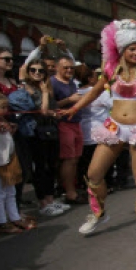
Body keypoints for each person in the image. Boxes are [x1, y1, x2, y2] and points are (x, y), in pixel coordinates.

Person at [62, 19, 136, 239]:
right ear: (122, 49)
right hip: (114, 127)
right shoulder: (110, 68)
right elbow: (94, 92)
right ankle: (98, 213)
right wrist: (75, 108)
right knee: (93, 173)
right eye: (132, 49)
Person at [15, 59, 66, 216]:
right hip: (36, 133)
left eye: (41, 71)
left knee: (51, 165)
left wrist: (54, 112)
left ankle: (50, 200)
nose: (37, 73)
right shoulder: (26, 89)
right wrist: (44, 94)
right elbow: (43, 110)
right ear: (28, 72)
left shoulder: (47, 87)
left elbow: (54, 109)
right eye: (33, 70)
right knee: (40, 167)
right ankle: (43, 202)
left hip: (51, 130)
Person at [0, 92, 35, 233]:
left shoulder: (2, 120)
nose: (5, 110)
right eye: (2, 107)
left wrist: (10, 129)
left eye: (6, 107)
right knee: (0, 192)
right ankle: (1, 221)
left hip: (8, 159)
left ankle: (14, 217)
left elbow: (6, 139)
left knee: (11, 191)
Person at [51, 57, 87, 205]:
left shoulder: (71, 82)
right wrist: (69, 100)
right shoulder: (53, 82)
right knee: (69, 159)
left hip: (76, 122)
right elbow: (50, 105)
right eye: (65, 67)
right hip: (64, 124)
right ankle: (69, 192)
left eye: (71, 68)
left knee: (75, 158)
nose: (69, 70)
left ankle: (71, 188)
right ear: (57, 68)